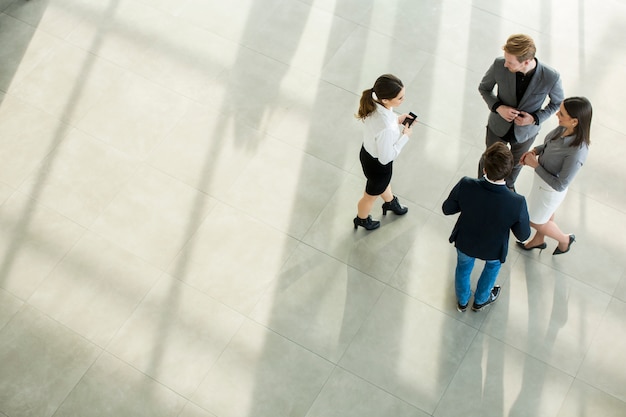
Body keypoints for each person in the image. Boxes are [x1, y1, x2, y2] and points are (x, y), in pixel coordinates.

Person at [443, 142, 531, 312]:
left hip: (465, 242)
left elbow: (448, 209)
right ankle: (481, 300)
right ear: (509, 171)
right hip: (494, 249)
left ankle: (462, 301)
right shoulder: (517, 202)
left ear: (484, 169)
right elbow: (523, 235)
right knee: (491, 269)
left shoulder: (466, 184)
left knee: (463, 268)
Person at [478, 33, 564, 191]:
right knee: (488, 159)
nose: (505, 64)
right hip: (498, 127)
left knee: (516, 164)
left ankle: (507, 188)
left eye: (510, 62)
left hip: (526, 133)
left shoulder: (550, 77)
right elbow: (484, 88)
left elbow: (557, 102)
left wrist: (535, 118)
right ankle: (482, 185)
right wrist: (498, 107)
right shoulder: (499, 64)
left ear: (526, 62)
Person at [517, 97, 592, 255]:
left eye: (562, 113)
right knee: (546, 214)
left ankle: (565, 240)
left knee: (534, 220)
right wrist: (535, 152)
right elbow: (549, 144)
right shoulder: (563, 128)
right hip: (541, 183)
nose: (557, 114)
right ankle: (539, 240)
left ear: (574, 121)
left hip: (549, 190)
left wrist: (535, 164)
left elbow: (560, 185)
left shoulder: (577, 152)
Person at [353, 74, 415, 230]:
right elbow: (386, 158)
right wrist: (405, 137)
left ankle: (390, 202)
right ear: (386, 99)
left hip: (367, 154)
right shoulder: (386, 127)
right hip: (378, 165)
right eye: (400, 98)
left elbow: (381, 124)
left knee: (381, 184)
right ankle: (361, 219)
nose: (403, 100)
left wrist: (397, 120)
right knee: (369, 196)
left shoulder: (375, 104)